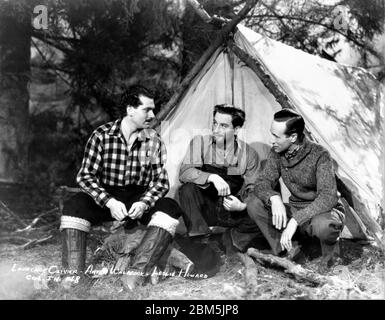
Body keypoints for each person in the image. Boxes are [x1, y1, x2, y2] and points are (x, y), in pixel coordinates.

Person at [60, 85, 183, 289]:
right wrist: (108, 201)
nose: (152, 115)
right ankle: (74, 277)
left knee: (170, 206)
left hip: (137, 197)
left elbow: (160, 182)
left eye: (153, 109)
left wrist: (144, 203)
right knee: (75, 205)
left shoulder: (153, 141)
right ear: (129, 110)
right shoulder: (102, 135)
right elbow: (85, 175)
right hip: (107, 197)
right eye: (147, 109)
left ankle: (134, 275)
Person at [247, 109, 345, 270]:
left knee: (324, 226)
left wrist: (295, 220)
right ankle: (288, 252)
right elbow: (262, 182)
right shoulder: (277, 152)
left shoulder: (320, 154)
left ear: (293, 137)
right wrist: (273, 197)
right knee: (254, 203)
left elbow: (328, 197)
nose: (272, 141)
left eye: (276, 136)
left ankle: (332, 261)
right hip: (295, 208)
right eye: (272, 135)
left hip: (323, 211)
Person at [178, 104, 262, 250]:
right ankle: (200, 241)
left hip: (231, 212)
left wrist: (242, 206)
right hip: (206, 209)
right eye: (215, 123)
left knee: (264, 210)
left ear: (236, 130)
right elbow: (185, 172)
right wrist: (212, 177)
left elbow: (255, 189)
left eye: (223, 126)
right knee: (186, 189)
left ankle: (230, 238)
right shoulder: (200, 143)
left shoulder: (249, 154)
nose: (216, 130)